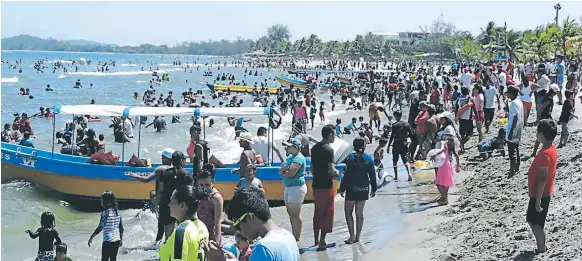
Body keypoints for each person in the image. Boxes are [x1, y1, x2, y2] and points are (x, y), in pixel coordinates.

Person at [206, 187, 300, 261]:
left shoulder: (263, 248)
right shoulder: (288, 236)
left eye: (238, 224)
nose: (239, 230)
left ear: (249, 218)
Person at [129, 148, 174, 242]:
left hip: (163, 201)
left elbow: (146, 179)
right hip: (174, 201)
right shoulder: (176, 170)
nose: (161, 159)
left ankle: (158, 246)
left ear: (167, 158)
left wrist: (135, 175)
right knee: (171, 226)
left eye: (163, 157)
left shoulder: (160, 169)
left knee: (161, 226)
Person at [527, 119, 558, 254]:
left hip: (541, 194)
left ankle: (541, 248)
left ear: (541, 135)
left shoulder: (545, 154)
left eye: (537, 132)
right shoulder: (550, 149)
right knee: (533, 220)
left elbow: (543, 178)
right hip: (541, 193)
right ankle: (541, 246)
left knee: (536, 223)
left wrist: (538, 199)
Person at [338, 137, 377, 244]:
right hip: (364, 189)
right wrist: (374, 188)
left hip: (351, 189)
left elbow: (346, 175)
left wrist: (342, 189)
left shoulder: (349, 158)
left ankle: (351, 236)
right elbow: (372, 176)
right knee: (359, 213)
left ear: (353, 147)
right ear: (364, 146)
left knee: (348, 212)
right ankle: (358, 237)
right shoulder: (369, 158)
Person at [159, 185, 210, 261]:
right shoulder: (202, 226)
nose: (169, 205)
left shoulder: (182, 232)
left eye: (172, 202)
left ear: (182, 205)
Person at [309, 124, 339, 251]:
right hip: (326, 186)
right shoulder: (329, 150)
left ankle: (316, 240)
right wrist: (337, 173)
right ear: (330, 135)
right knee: (328, 212)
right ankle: (322, 242)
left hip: (316, 185)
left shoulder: (314, 148)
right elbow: (332, 170)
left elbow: (312, 168)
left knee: (318, 212)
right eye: (334, 135)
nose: (335, 137)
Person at [157, 151, 195, 241]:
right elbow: (191, 193)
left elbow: (160, 190)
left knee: (168, 237)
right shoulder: (187, 175)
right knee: (183, 234)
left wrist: (157, 203)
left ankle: (167, 253)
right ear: (182, 161)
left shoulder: (164, 173)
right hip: (182, 206)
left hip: (167, 205)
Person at [279, 138, 307, 242]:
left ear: (295, 148)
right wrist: (283, 171)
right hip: (288, 187)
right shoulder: (291, 157)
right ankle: (294, 233)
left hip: (296, 188)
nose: (286, 148)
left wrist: (283, 172)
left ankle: (297, 236)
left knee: (296, 213)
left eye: (289, 146)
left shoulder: (299, 158)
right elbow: (283, 168)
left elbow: (291, 173)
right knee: (290, 212)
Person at [88, 190, 124, 261]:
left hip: (108, 241)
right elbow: (121, 228)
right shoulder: (118, 213)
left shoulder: (105, 213)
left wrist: (91, 237)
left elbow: (100, 226)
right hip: (117, 240)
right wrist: (121, 240)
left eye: (102, 200)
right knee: (113, 259)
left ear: (105, 201)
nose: (101, 201)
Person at [430, 134, 461, 205]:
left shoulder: (443, 142)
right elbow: (456, 155)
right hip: (448, 164)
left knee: (438, 183)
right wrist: (458, 166)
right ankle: (444, 197)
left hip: (442, 165)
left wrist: (435, 154)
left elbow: (441, 149)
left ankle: (444, 198)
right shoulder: (451, 146)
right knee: (446, 182)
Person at [197, 170, 225, 244]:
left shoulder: (216, 197)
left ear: (213, 181)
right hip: (198, 232)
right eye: (201, 185)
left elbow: (217, 223)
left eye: (207, 185)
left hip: (211, 233)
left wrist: (216, 242)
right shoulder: (198, 193)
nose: (204, 188)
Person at [387, 110, 412, 181]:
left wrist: (388, 146)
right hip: (404, 144)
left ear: (396, 116)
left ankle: (396, 176)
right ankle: (409, 173)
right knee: (405, 160)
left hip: (396, 145)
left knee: (395, 161)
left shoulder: (394, 125)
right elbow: (411, 134)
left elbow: (392, 136)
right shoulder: (406, 124)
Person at [505, 86, 524, 176]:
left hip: (514, 129)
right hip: (519, 129)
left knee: (511, 150)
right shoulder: (519, 102)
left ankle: (512, 169)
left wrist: (511, 131)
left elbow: (515, 117)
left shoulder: (513, 103)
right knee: (516, 148)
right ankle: (517, 166)